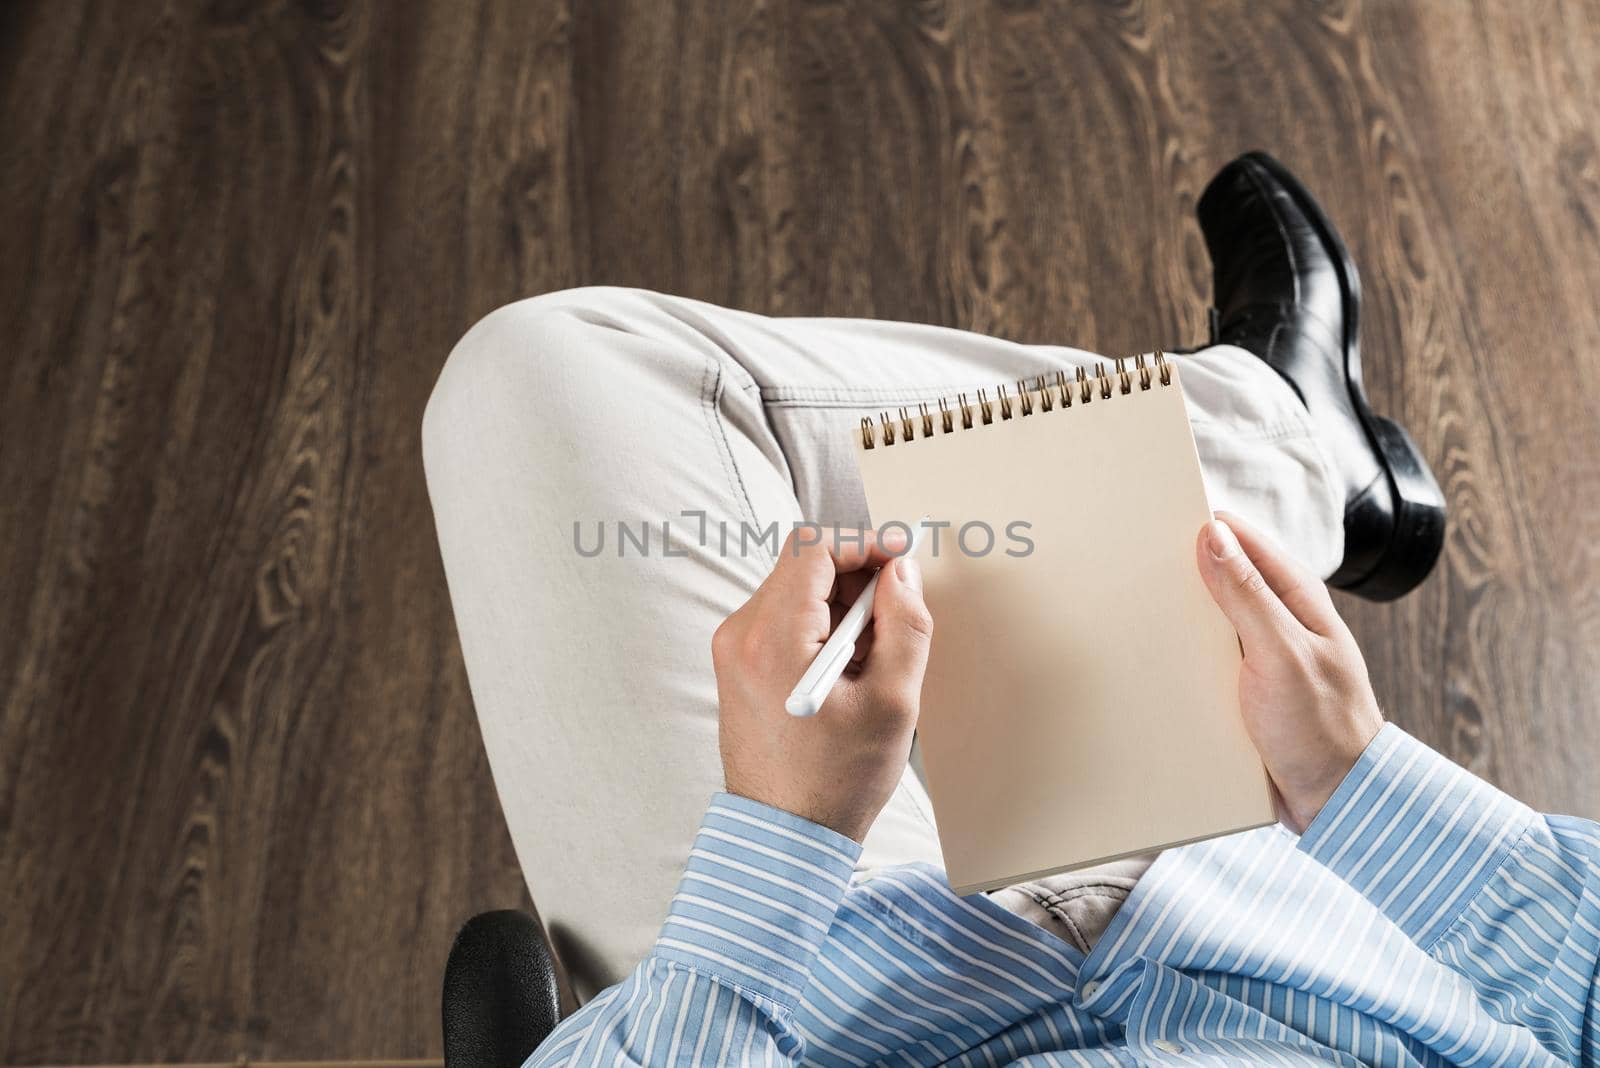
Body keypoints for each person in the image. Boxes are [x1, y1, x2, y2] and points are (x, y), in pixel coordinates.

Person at [423, 154, 1598, 1064]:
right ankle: (1286, 443)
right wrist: (1357, 786)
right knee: (595, 379)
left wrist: (781, 842)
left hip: (820, 1004)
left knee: (534, 378)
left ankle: (1276, 441)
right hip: (1286, 931)